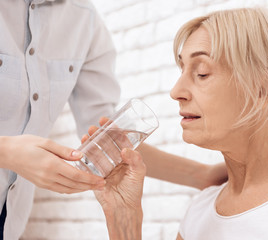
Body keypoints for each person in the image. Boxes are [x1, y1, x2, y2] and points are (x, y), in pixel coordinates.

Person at [97, 7, 268, 240]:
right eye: (182, 71)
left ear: (262, 89)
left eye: (202, 73)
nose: (176, 91)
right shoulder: (200, 212)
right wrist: (124, 218)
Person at [0, 1, 227, 239]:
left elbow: (110, 139)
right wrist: (7, 152)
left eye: (202, 74)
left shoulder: (83, 20)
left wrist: (202, 176)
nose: (176, 92)